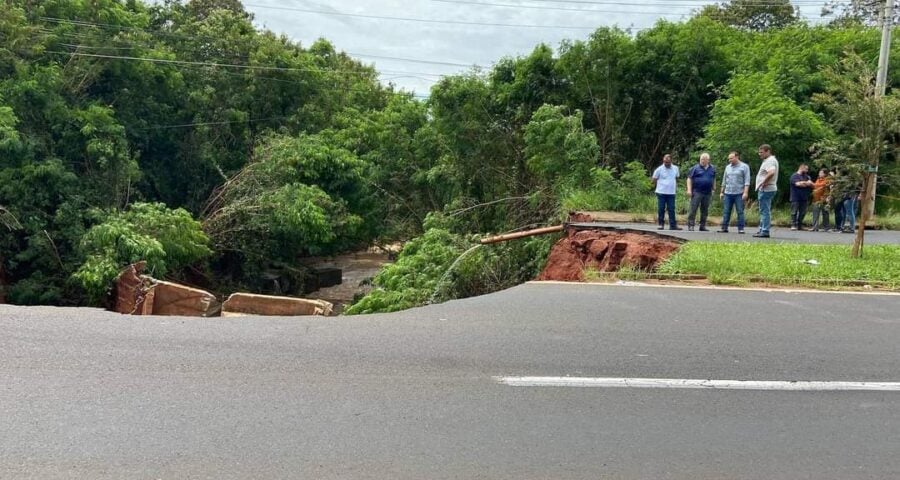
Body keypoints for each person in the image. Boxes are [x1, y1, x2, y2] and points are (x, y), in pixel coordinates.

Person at [718, 151, 751, 234]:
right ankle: (724, 227)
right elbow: (724, 180)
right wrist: (721, 192)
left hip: (739, 193)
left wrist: (745, 193)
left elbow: (747, 181)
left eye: (731, 158)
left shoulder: (744, 167)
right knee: (726, 211)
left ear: (737, 157)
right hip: (728, 192)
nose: (729, 160)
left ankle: (741, 228)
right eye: (729, 158)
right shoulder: (727, 167)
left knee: (740, 211)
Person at [686, 153, 717, 231]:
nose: (702, 161)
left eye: (704, 159)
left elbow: (713, 178)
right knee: (693, 209)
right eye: (701, 159)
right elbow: (689, 179)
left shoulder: (712, 168)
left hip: (707, 192)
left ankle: (702, 226)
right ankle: (691, 225)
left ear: (708, 160)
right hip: (697, 191)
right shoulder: (695, 168)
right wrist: (689, 190)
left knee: (705, 210)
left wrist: (714, 188)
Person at [753, 144, 779, 238]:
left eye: (762, 152)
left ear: (768, 151)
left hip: (766, 189)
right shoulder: (769, 160)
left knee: (764, 210)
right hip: (767, 189)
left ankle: (765, 230)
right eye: (759, 152)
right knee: (763, 210)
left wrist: (764, 182)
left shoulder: (770, 161)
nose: (760, 154)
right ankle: (762, 229)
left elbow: (771, 172)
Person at [651, 154, 682, 230]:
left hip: (671, 192)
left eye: (668, 162)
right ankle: (661, 224)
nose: (666, 163)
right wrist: (660, 185)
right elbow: (653, 180)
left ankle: (673, 225)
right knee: (661, 208)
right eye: (665, 162)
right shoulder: (659, 169)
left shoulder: (675, 168)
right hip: (661, 192)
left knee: (671, 209)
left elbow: (677, 178)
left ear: (671, 161)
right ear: (663, 161)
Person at [789, 163, 815, 230]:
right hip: (795, 197)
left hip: (804, 197)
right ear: (801, 168)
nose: (807, 170)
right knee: (794, 212)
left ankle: (799, 225)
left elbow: (813, 185)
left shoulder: (807, 176)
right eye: (806, 169)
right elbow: (798, 184)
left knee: (803, 212)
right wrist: (806, 183)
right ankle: (793, 225)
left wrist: (805, 183)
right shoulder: (794, 176)